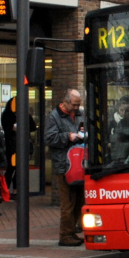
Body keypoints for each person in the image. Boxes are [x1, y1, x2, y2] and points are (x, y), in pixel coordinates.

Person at [44, 88, 86, 247]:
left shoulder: (80, 114)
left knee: (79, 201)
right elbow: (49, 138)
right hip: (64, 164)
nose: (77, 108)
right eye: (74, 105)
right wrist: (69, 136)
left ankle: (72, 231)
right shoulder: (54, 116)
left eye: (78, 105)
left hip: (79, 163)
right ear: (66, 101)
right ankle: (66, 235)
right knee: (68, 202)